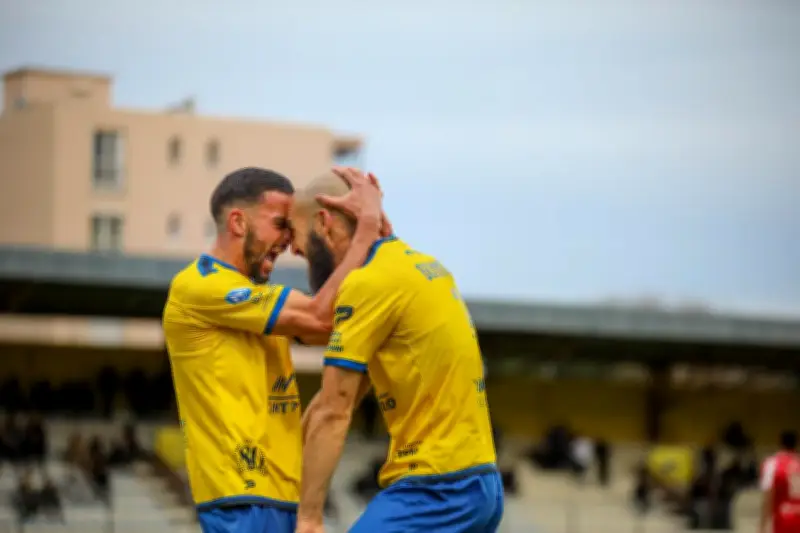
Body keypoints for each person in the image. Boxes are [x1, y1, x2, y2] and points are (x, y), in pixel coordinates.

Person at [162, 166, 383, 533]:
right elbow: (322, 318)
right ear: (238, 222)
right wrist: (366, 233)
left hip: (281, 497)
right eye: (281, 224)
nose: (289, 239)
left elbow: (333, 328)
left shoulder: (260, 302)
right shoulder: (198, 286)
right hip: (240, 499)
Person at [293, 171, 503, 533]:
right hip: (481, 485)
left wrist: (309, 517)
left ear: (324, 224)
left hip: (438, 489)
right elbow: (336, 399)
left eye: (298, 244)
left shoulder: (368, 284)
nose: (298, 254)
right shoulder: (420, 266)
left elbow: (333, 411)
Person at [759, 430, 800, 533]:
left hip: (783, 518)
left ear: (780, 443)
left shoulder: (772, 463)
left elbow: (768, 495)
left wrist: (762, 525)